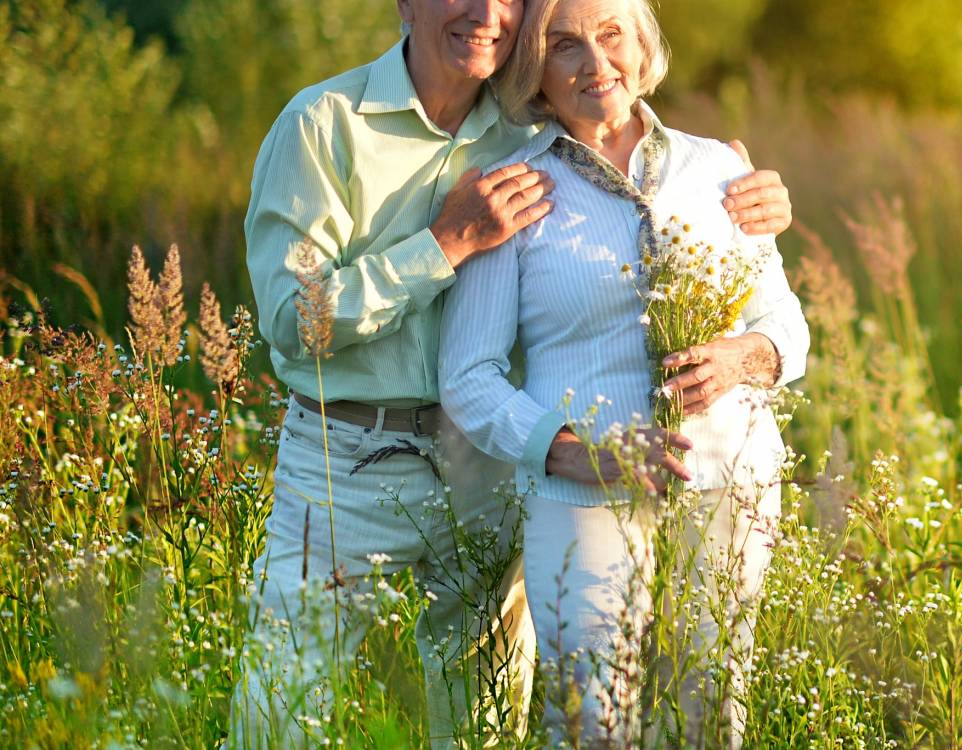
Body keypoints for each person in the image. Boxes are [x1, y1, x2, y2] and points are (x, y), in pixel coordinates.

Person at [235, 1, 793, 746]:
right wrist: (444, 242)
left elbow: (635, 145)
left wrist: (745, 190)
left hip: (487, 468)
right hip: (349, 461)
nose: (485, 12)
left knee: (480, 725)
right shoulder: (324, 125)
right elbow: (293, 320)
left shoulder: (527, 125)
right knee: (277, 714)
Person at [437, 0, 807, 744]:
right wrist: (579, 453)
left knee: (707, 714)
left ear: (643, 46)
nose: (595, 63)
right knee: (590, 722)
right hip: (581, 499)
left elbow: (787, 332)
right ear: (535, 72)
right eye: (564, 44)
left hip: (727, 486)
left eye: (611, 35)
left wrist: (740, 359)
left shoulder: (720, 170)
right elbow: (467, 378)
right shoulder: (516, 190)